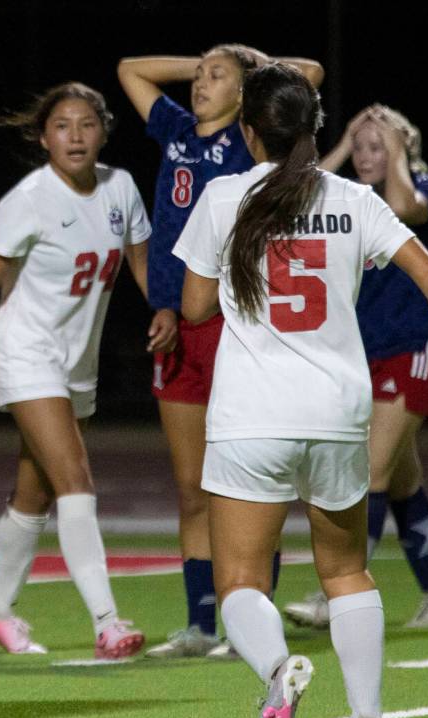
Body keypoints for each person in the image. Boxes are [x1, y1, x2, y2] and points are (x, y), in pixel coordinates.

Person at [177, 62, 428, 718]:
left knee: (237, 579)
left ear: (249, 132)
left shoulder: (224, 196)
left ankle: (277, 670)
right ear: (314, 128)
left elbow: (196, 305)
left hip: (252, 411)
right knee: (347, 570)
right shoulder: (354, 198)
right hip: (338, 408)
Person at [117, 46, 324, 658]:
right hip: (179, 320)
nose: (200, 84)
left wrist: (248, 65)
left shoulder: (245, 138)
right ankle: (201, 624)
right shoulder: (177, 128)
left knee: (250, 480)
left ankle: (250, 625)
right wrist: (208, 62)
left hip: (233, 319)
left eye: (215, 79)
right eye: (198, 77)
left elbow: (308, 75)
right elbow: (131, 69)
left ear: (246, 98)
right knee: (192, 487)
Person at [0, 82, 157, 659]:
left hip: (76, 361)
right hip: (25, 353)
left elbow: (142, 265)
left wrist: (168, 312)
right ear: (44, 137)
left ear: (103, 132)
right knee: (76, 479)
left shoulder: (120, 187)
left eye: (86, 124)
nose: (75, 135)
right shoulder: (28, 199)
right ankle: (108, 622)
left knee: (35, 492)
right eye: (62, 126)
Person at [284, 105, 428, 630]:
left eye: (379, 147)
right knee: (399, 482)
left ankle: (337, 594)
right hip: (366, 352)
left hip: (414, 346)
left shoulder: (424, 185)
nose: (368, 157)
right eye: (362, 148)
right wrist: (346, 143)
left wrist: (396, 152)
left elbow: (406, 206)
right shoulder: (346, 198)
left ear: (401, 149)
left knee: (368, 471)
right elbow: (295, 193)